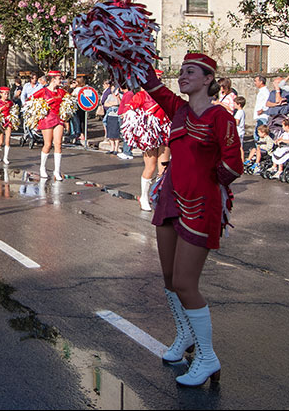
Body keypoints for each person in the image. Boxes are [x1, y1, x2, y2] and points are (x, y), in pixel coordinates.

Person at [139, 53, 243, 387]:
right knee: (169, 278)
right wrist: (130, 52)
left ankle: (208, 356)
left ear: (208, 79)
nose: (182, 76)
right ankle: (184, 334)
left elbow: (233, 165)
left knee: (186, 283)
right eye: (181, 71)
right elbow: (152, 84)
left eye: (190, 72)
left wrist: (208, 184)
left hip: (200, 204)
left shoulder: (220, 117)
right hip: (170, 199)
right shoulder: (178, 109)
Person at [120, 87, 171, 211]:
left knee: (164, 168)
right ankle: (144, 197)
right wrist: (143, 127)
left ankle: (159, 196)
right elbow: (128, 112)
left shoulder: (164, 94)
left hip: (164, 132)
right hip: (150, 135)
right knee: (150, 167)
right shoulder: (142, 95)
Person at [31, 70, 68, 181]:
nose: (61, 80)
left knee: (58, 143)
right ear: (53, 79)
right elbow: (30, 101)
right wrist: (42, 106)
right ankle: (42, 167)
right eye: (59, 78)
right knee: (47, 144)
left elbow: (70, 100)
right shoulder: (43, 91)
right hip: (47, 119)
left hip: (59, 118)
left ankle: (57, 171)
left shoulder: (62, 92)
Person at [233, 96, 246, 162]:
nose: (234, 105)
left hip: (239, 131)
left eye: (235, 103)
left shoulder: (239, 112)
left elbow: (237, 122)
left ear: (239, 104)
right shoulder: (242, 112)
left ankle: (242, 160)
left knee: (239, 147)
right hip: (241, 131)